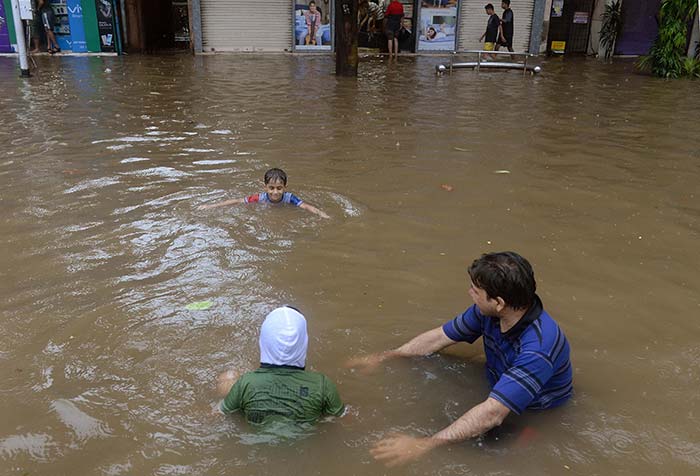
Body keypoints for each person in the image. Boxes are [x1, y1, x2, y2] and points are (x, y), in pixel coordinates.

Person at [347, 251, 573, 467]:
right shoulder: (488, 312)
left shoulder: (539, 348)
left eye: (475, 290)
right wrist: (385, 357)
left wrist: (423, 445)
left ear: (499, 302)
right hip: (499, 380)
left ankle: (526, 436)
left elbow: (493, 413)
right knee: (433, 364)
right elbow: (438, 338)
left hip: (532, 410)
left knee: (486, 450)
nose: (470, 293)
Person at [217, 306, 346, 425]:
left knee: (228, 377)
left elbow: (219, 414)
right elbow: (342, 418)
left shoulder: (247, 383)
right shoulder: (322, 384)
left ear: (264, 341)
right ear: (303, 343)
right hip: (305, 445)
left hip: (259, 445)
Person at [197, 168, 329, 218]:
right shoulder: (260, 198)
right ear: (265, 187)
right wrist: (211, 206)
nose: (275, 192)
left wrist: (321, 214)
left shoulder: (289, 198)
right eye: (271, 188)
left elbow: (305, 206)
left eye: (279, 188)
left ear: (285, 187)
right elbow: (237, 201)